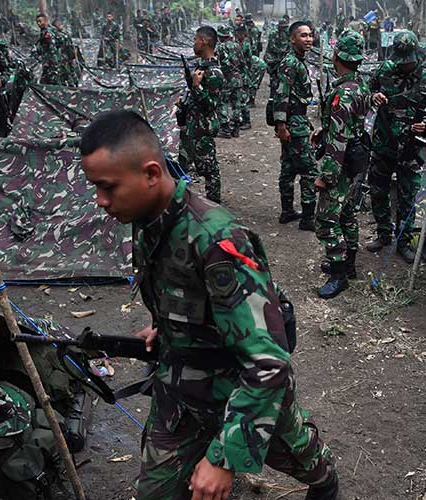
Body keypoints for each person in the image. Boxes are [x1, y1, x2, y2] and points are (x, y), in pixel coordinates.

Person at [79, 110, 340, 500]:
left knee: (302, 459)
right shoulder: (148, 219)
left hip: (242, 386)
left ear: (151, 174)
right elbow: (183, 293)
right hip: (180, 389)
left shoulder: (216, 240)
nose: (100, 201)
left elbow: (268, 362)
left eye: (107, 187)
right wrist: (167, 327)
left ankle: (327, 483)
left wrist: (224, 459)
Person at [365, 32, 426, 263]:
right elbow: (365, 92)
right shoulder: (384, 70)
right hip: (384, 142)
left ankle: (404, 240)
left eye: (409, 61)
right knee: (378, 190)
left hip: (411, 147)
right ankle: (383, 234)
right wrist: (373, 96)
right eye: (402, 61)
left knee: (408, 195)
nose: (405, 65)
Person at [312, 30, 369, 299]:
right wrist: (323, 132)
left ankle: (338, 274)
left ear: (337, 56)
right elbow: (349, 126)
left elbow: (339, 139)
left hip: (341, 163)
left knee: (326, 218)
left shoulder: (342, 95)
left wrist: (327, 176)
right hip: (354, 158)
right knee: (347, 214)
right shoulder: (359, 85)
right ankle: (349, 265)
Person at [273, 21, 317, 230]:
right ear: (292, 38)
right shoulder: (291, 63)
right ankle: (308, 218)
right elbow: (281, 94)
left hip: (295, 121)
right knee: (309, 171)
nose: (308, 39)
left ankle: (287, 211)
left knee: (289, 168)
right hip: (294, 123)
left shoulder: (298, 61)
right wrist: (281, 125)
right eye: (303, 35)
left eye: (310, 35)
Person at [177, 26, 224, 203]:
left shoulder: (214, 73)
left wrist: (197, 86)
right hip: (190, 126)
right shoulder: (200, 66)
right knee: (182, 165)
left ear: (204, 41)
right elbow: (197, 100)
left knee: (209, 170)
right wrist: (185, 102)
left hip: (202, 129)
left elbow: (211, 105)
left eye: (196, 39)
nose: (194, 43)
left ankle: (214, 204)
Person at [215, 25, 245, 138]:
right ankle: (236, 127)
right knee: (236, 103)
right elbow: (242, 62)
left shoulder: (221, 47)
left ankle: (225, 128)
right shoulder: (237, 45)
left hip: (227, 79)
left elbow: (223, 64)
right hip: (238, 78)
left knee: (222, 102)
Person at [32, 14, 72, 86]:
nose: (39, 23)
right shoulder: (45, 31)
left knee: (54, 82)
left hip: (52, 62)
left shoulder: (48, 32)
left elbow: (52, 48)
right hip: (51, 61)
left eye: (40, 21)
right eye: (37, 22)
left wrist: (52, 62)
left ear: (46, 21)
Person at [264, 18, 289, 98]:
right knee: (273, 73)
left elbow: (286, 44)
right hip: (271, 56)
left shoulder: (285, 34)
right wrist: (282, 51)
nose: (284, 29)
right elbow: (272, 47)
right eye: (283, 27)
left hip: (280, 56)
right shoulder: (273, 33)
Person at [234, 25, 253, 130]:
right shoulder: (238, 43)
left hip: (243, 75)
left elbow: (248, 61)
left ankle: (247, 121)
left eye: (239, 34)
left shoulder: (245, 44)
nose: (237, 36)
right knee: (238, 99)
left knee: (243, 99)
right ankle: (241, 120)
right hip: (239, 75)